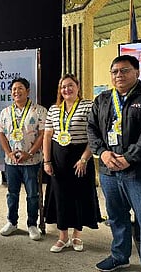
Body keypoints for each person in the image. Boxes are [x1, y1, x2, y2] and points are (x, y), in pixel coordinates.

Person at [87, 55, 141, 272]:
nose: (119, 75)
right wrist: (102, 153)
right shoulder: (102, 100)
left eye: (124, 70)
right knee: (117, 217)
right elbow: (91, 129)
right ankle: (120, 255)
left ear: (137, 72)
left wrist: (129, 158)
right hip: (109, 172)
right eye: (115, 71)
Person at [42, 74, 102, 253]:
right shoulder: (54, 109)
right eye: (63, 87)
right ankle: (63, 237)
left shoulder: (88, 106)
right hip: (59, 158)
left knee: (79, 196)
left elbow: (94, 135)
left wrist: (84, 158)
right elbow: (47, 135)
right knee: (60, 197)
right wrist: (47, 161)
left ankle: (77, 235)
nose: (66, 90)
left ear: (78, 87)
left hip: (80, 158)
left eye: (70, 86)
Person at [0, 77, 47, 241]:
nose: (16, 92)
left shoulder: (39, 111)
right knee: (12, 193)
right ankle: (12, 222)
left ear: (28, 91)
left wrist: (30, 153)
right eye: (14, 90)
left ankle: (32, 224)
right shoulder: (5, 112)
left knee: (32, 194)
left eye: (20, 89)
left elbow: (42, 135)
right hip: (11, 162)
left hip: (31, 161)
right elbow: (1, 133)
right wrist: (9, 153)